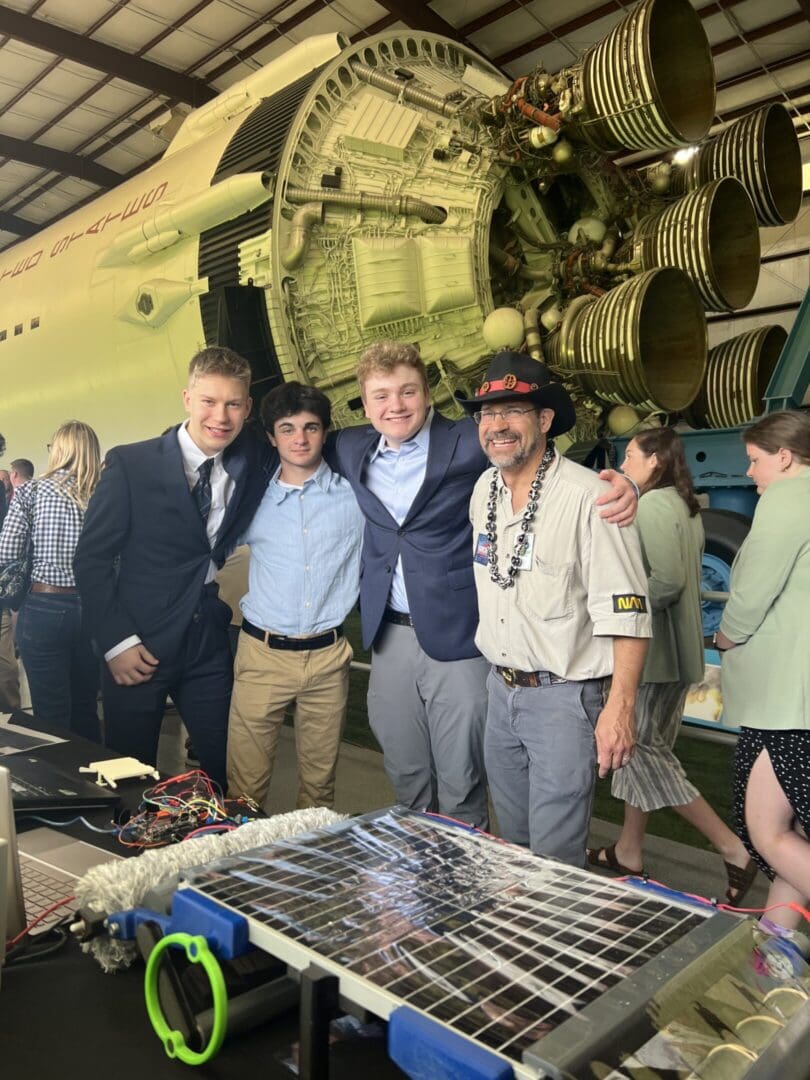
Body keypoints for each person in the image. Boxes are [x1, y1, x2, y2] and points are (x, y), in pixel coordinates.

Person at [330, 341, 637, 829]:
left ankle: (463, 881)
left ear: (429, 395)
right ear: (364, 407)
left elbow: (541, 454)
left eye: (407, 392)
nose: (396, 406)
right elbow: (289, 446)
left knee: (462, 777)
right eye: (381, 396)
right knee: (404, 768)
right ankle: (419, 878)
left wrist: (627, 485)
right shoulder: (349, 447)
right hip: (388, 635)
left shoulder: (473, 438)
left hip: (457, 635)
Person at [463, 350, 651, 867]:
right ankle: (523, 943)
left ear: (544, 419)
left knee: (555, 858)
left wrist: (620, 708)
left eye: (512, 411)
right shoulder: (483, 492)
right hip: (499, 695)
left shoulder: (592, 498)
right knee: (517, 849)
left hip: (564, 703)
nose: (497, 425)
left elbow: (627, 614)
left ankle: (559, 943)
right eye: (487, 414)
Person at [74, 347, 271, 787]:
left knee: (225, 769)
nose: (220, 416)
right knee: (129, 775)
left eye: (233, 404)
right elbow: (91, 559)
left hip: (207, 640)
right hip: (138, 643)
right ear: (187, 398)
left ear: (247, 408)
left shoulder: (249, 463)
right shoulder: (131, 463)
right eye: (208, 401)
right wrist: (115, 642)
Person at [587, 428, 755, 902]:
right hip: (677, 656)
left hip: (654, 658)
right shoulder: (685, 506)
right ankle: (629, 851)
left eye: (631, 455)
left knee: (643, 754)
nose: (623, 464)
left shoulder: (654, 508)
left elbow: (662, 585)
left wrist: (604, 609)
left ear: (656, 461)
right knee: (646, 750)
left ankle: (732, 847)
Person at [227, 382, 363, 809]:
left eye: (310, 427)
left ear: (325, 431)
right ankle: (242, 871)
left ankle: (311, 870)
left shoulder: (355, 498)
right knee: (245, 791)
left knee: (320, 791)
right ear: (271, 436)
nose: (300, 439)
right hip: (262, 654)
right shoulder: (252, 501)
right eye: (287, 429)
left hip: (327, 659)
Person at [715, 410, 810, 937]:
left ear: (784, 455)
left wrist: (725, 636)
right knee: (789, 830)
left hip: (787, 702)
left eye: (754, 460)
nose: (750, 473)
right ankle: (773, 964)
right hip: (798, 700)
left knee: (767, 832)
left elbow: (751, 592)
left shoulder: (787, 500)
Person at [0, 421, 101, 738]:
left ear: (58, 450)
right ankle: (96, 779)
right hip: (96, 611)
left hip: (44, 606)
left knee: (52, 715)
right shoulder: (103, 494)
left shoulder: (31, 491)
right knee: (87, 707)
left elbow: (7, 550)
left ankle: (64, 785)